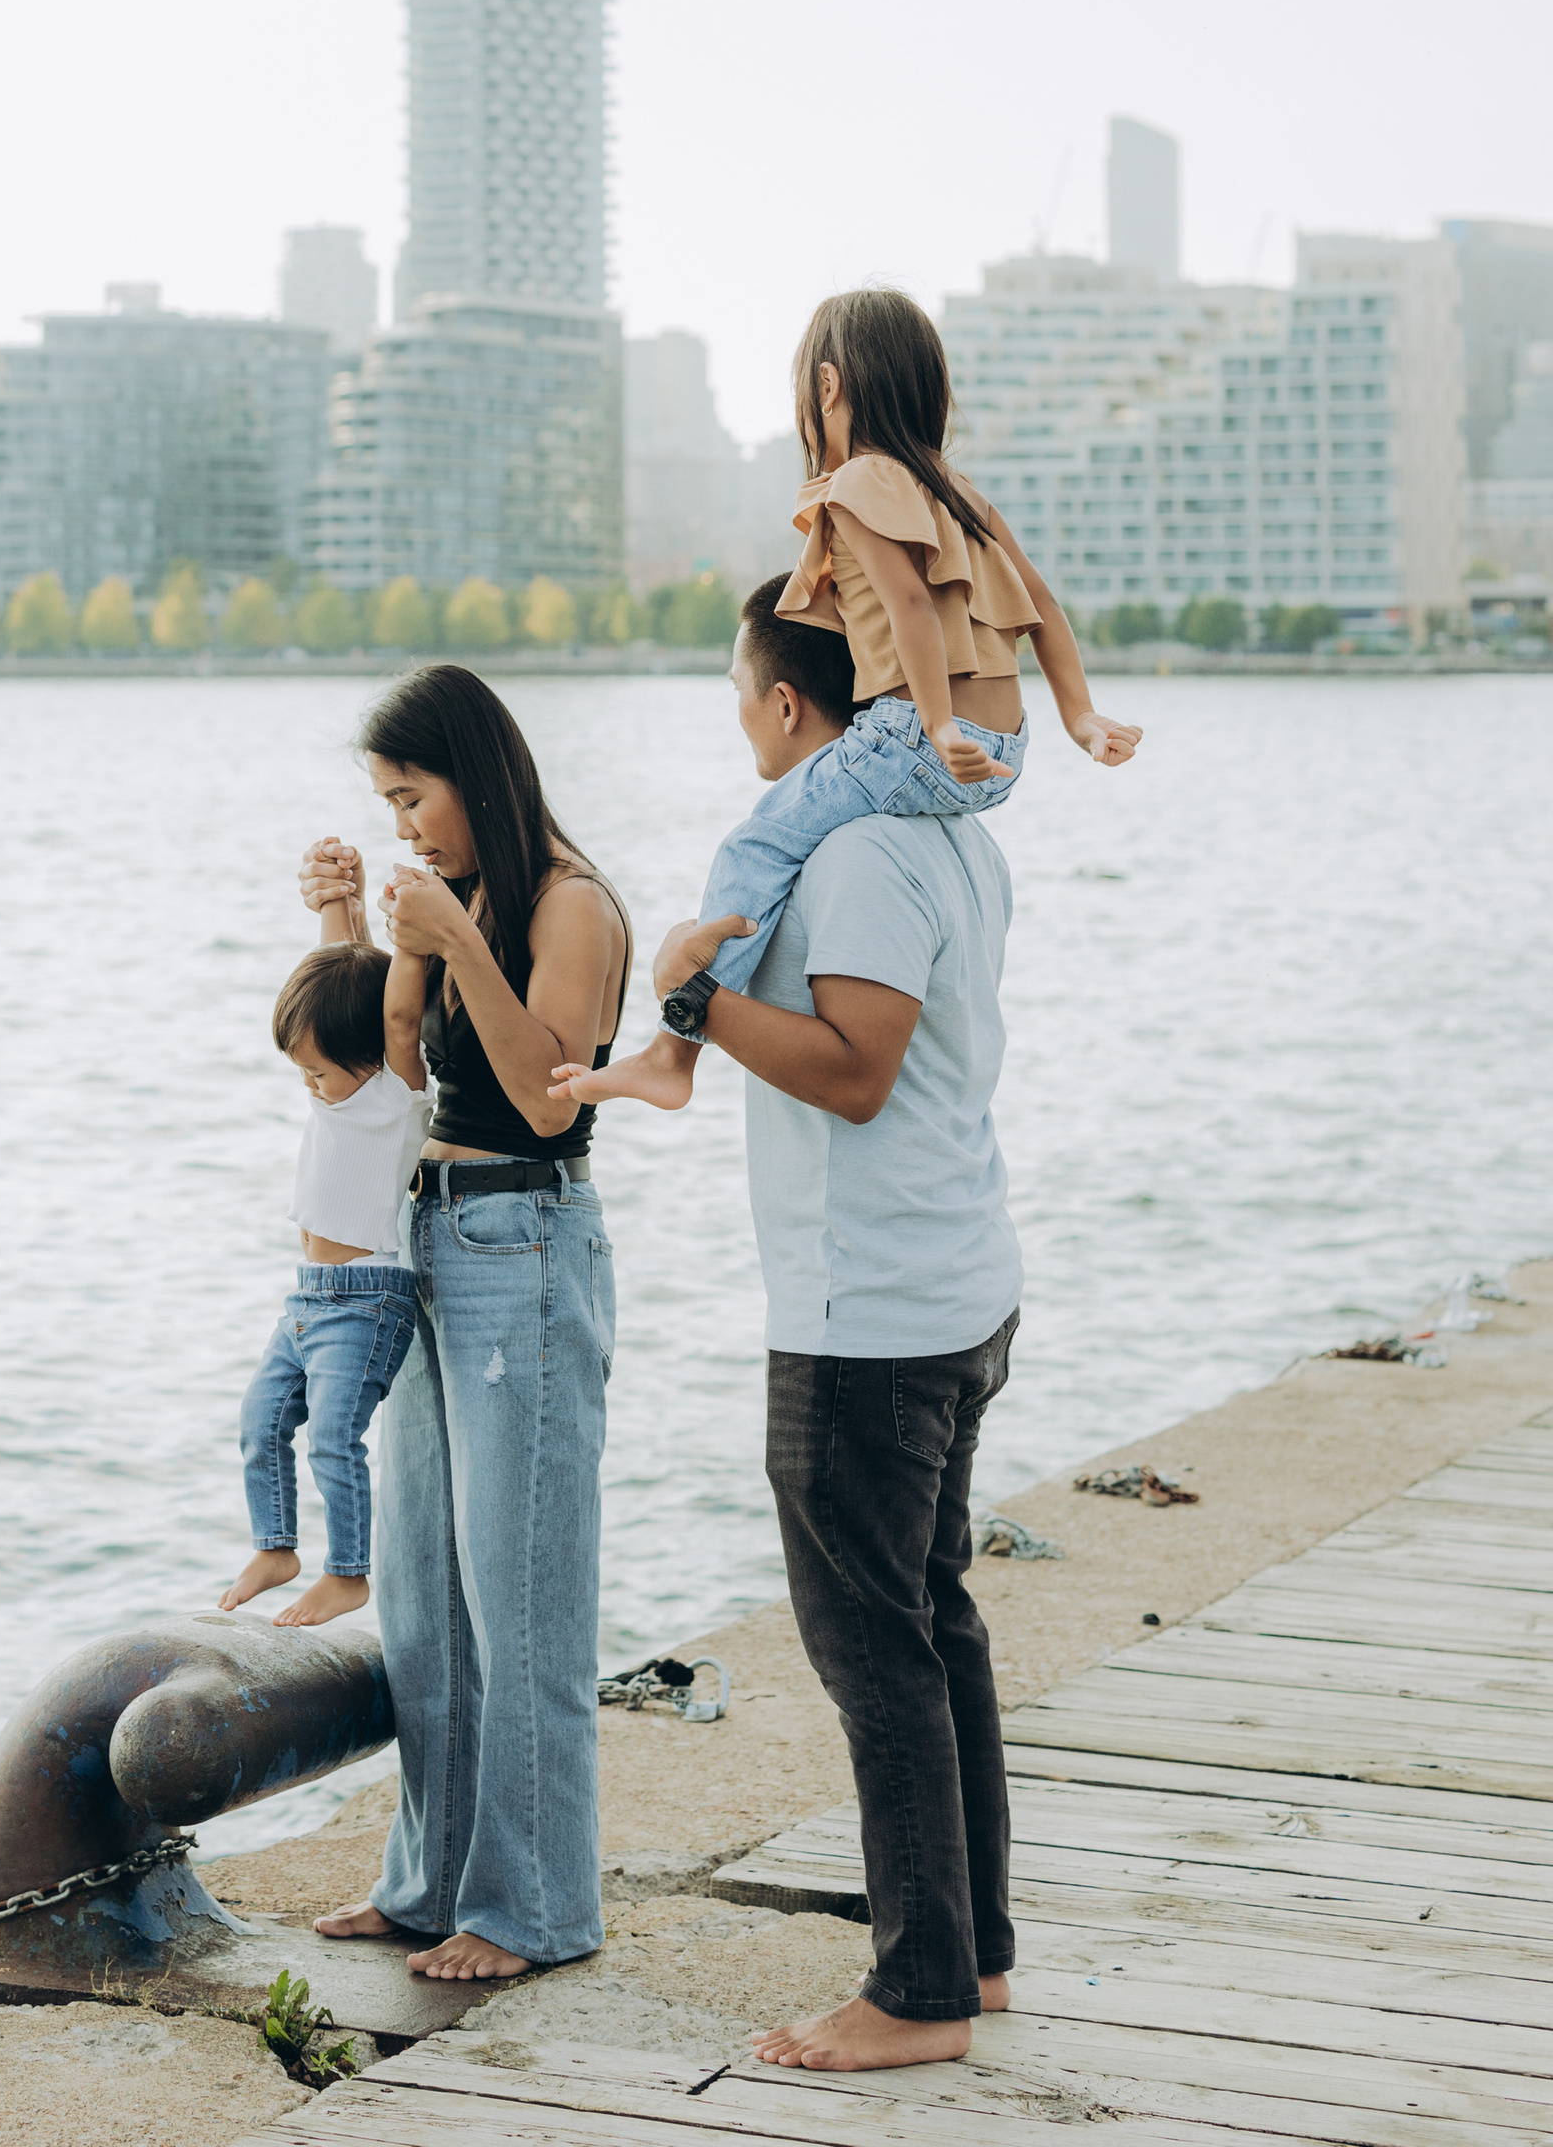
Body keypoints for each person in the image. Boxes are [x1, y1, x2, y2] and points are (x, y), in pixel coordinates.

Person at [552, 579, 1025, 2074]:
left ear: (784, 706)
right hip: (947, 1280)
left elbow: (855, 1068)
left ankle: (919, 1995)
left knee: (877, 1652)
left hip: (870, 1311)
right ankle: (972, 1955)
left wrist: (692, 998)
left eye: (739, 698)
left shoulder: (870, 851)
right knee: (933, 1625)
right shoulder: (949, 830)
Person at [584, 284, 1135, 1113]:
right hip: (1004, 756)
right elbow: (1044, 608)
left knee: (753, 847)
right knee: (787, 833)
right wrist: (1079, 719)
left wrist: (937, 720)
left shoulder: (859, 485)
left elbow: (911, 605)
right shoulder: (958, 492)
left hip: (918, 735)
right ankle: (675, 1054)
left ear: (829, 388)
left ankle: (672, 1053)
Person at [304, 665, 632, 1985]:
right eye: (386, 806)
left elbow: (550, 1095)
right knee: (431, 1597)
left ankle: (535, 1909)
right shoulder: (465, 900)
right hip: (435, 1237)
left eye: (413, 796)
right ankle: (434, 1882)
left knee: (523, 1595)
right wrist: (351, 931)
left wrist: (451, 929)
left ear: (472, 770)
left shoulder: (572, 904)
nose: (404, 827)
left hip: (528, 1239)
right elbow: (393, 1077)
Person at [218, 936, 428, 1630]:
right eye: (301, 1072)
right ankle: (276, 1548)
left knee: (334, 1436)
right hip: (306, 1298)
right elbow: (339, 971)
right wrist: (337, 897)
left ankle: (347, 1574)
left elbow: (396, 1017)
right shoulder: (334, 1096)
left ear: (368, 1057)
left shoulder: (394, 1095)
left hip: (368, 1301)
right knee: (261, 1419)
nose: (310, 1085)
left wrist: (414, 939)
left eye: (318, 1071)